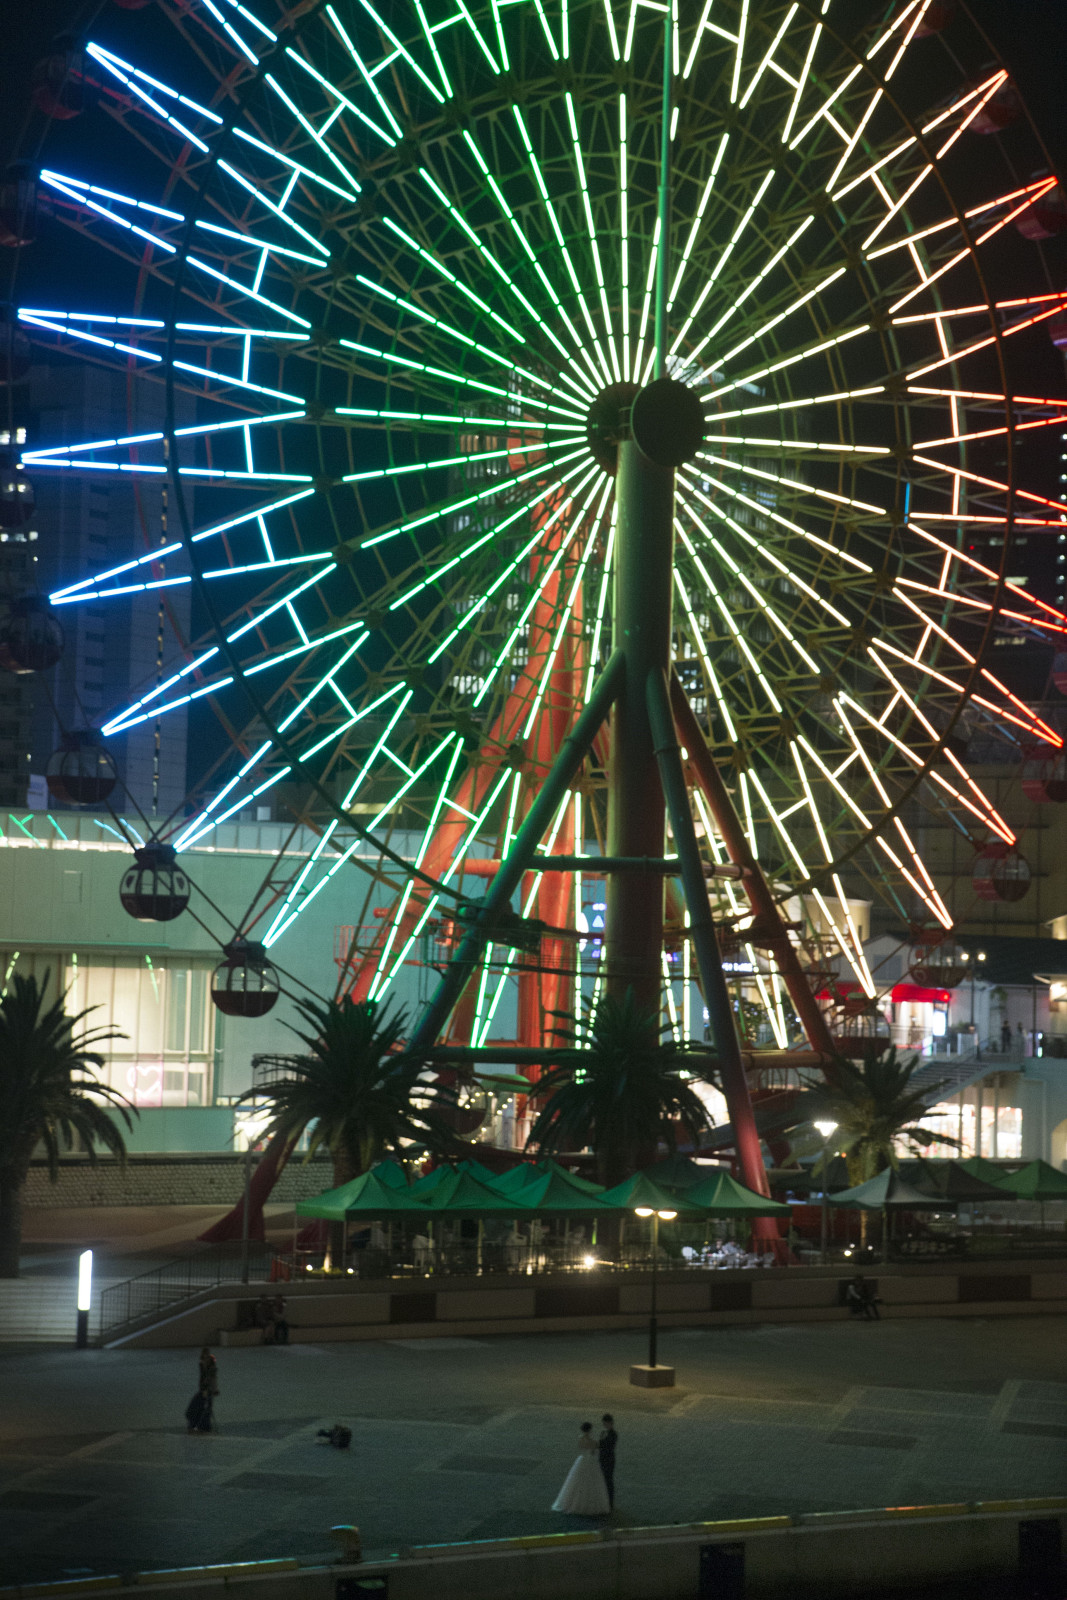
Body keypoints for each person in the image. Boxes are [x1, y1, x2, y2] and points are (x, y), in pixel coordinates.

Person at [551, 1422, 610, 1516]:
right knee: (593, 1482)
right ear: (590, 1430)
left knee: (576, 1480)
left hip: (582, 1460)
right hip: (591, 1461)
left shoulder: (580, 1438)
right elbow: (595, 1450)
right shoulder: (593, 1441)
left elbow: (581, 1448)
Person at [186, 1347, 219, 1432]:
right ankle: (198, 1426)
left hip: (207, 1390)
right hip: (204, 1390)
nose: (205, 1359)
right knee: (200, 1408)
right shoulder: (203, 1364)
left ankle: (201, 1427)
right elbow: (204, 1378)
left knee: (204, 1408)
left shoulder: (210, 1366)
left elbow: (211, 1379)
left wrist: (210, 1390)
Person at [598, 1414, 618, 1510]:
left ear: (610, 1423)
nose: (604, 1425)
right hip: (603, 1459)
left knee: (608, 1481)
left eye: (606, 1423)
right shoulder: (603, 1433)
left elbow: (608, 1446)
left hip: (609, 1460)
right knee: (604, 1480)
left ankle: (610, 1502)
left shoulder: (613, 1434)